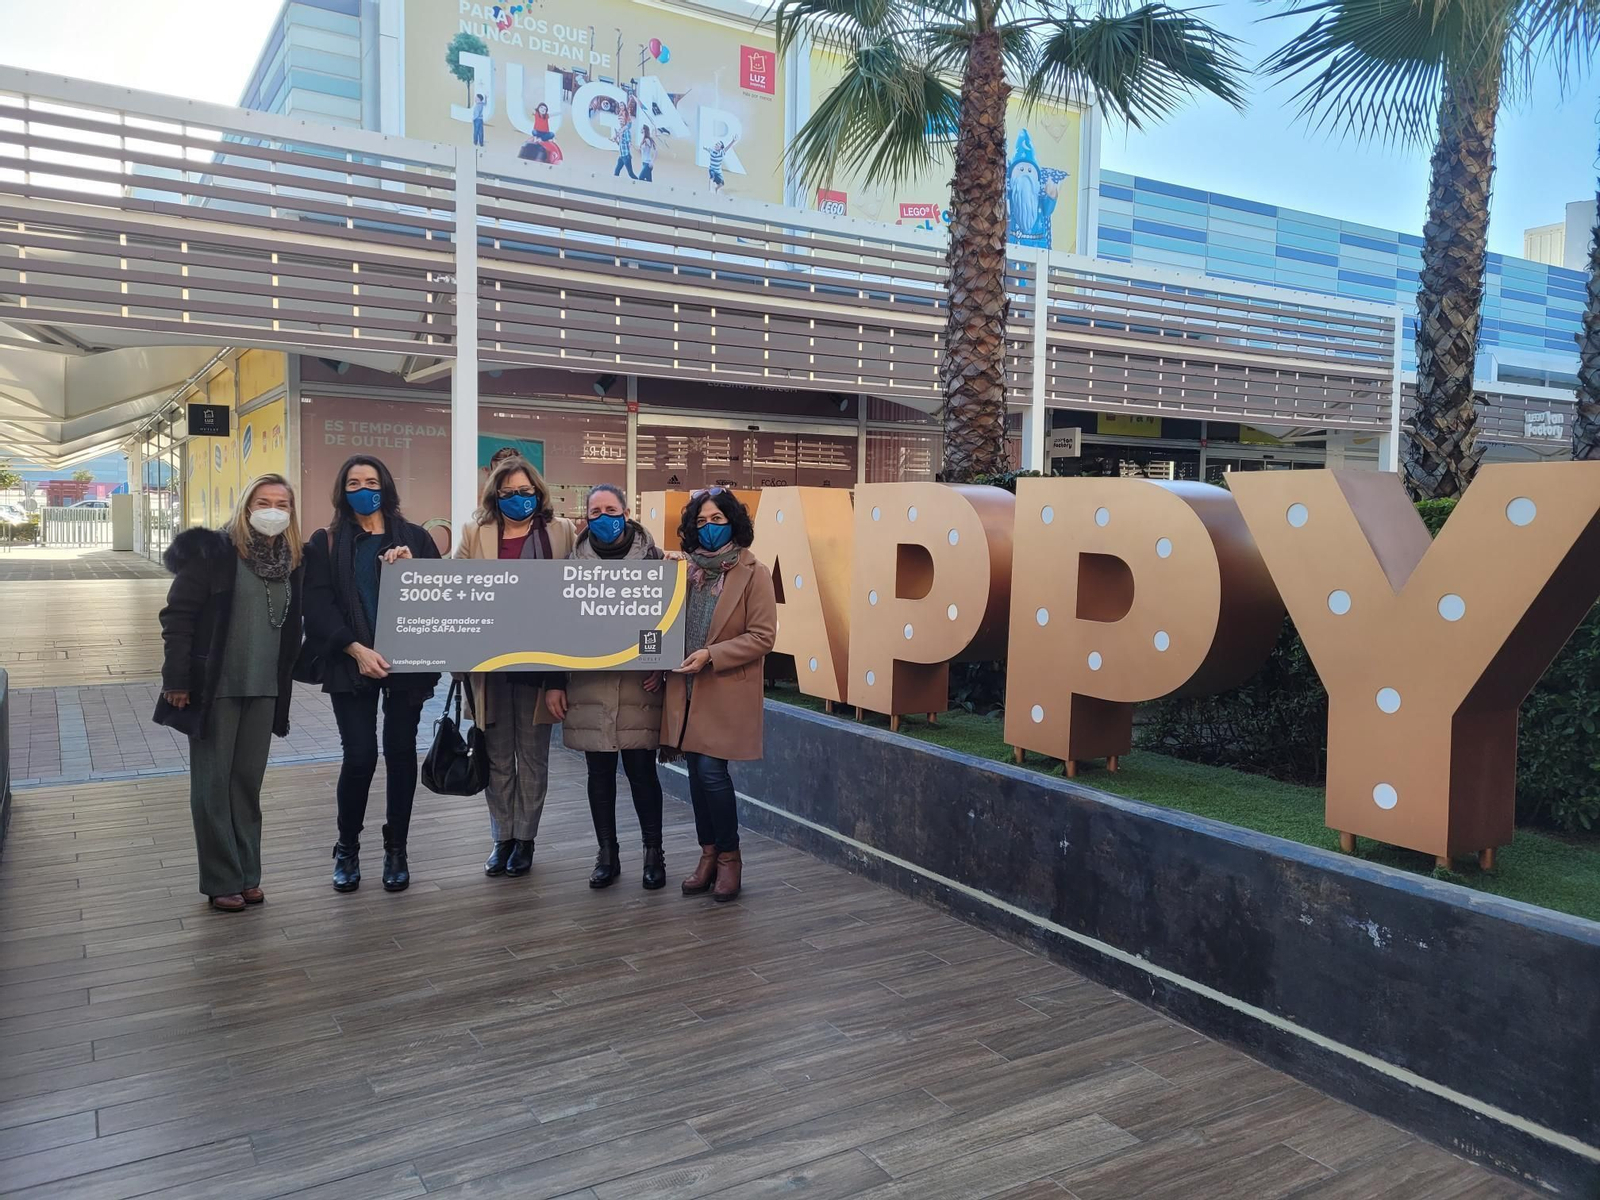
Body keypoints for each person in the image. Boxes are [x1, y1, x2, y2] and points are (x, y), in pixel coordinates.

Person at [156, 475, 305, 913]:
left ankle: (248, 873)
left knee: (246, 784)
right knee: (212, 785)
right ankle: (222, 879)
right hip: (214, 688)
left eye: (282, 503)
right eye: (263, 502)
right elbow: (177, 617)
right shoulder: (213, 553)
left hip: (265, 688)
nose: (273, 510)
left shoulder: (293, 559)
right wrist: (176, 681)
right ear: (246, 507)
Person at [301, 456, 441, 894]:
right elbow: (317, 607)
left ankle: (396, 848)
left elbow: (440, 598)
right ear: (342, 491)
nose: (363, 489)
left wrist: (412, 568)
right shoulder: (324, 542)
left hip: (407, 667)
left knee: (401, 754)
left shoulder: (416, 538)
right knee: (359, 756)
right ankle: (347, 847)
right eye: (354, 482)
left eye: (372, 481)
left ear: (387, 486)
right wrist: (355, 648)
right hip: (351, 661)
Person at [457, 455, 577, 876]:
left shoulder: (561, 531)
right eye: (509, 493)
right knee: (497, 757)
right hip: (490, 667)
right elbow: (453, 587)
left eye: (526, 492)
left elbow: (582, 586)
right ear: (495, 495)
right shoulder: (475, 532)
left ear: (538, 492)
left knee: (533, 758)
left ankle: (525, 840)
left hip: (541, 667)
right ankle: (501, 838)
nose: (519, 499)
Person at [659, 488, 776, 902]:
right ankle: (707, 853)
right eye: (702, 522)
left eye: (718, 520)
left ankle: (729, 857)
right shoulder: (685, 571)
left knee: (711, 772)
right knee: (695, 775)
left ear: (734, 523)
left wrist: (713, 654)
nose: (709, 528)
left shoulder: (753, 572)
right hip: (684, 689)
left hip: (723, 688)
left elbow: (763, 636)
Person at [554, 484, 667, 890]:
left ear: (627, 512)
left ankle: (654, 854)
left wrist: (660, 664)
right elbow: (558, 630)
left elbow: (662, 619)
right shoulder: (569, 565)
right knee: (598, 774)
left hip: (640, 687)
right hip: (589, 685)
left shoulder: (655, 560)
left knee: (642, 773)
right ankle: (607, 854)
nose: (604, 517)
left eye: (611, 509)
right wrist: (555, 683)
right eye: (596, 511)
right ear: (586, 517)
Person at [613, 113, 636, 179]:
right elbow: (620, 144)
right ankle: (615, 185)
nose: (621, 122)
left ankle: (640, 183)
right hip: (621, 156)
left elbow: (628, 141)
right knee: (616, 172)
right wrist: (616, 140)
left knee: (630, 173)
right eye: (620, 121)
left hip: (626, 156)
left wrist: (628, 142)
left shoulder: (626, 131)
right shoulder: (620, 130)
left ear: (625, 122)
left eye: (622, 121)